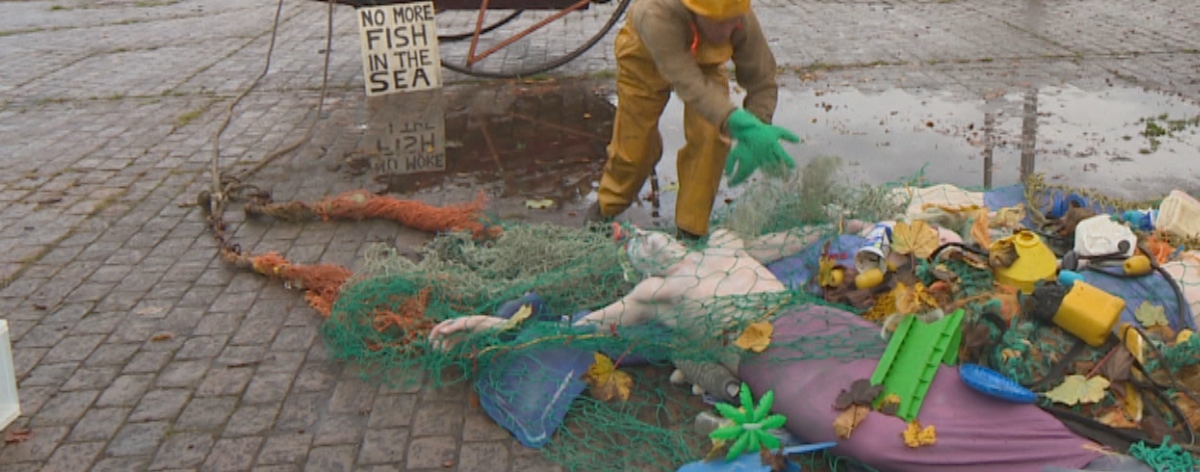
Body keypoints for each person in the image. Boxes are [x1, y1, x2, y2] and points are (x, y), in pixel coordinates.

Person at [430, 226, 1153, 472]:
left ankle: (1078, 456)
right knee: (874, 435)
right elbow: (580, 329)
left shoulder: (727, 247)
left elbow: (797, 246)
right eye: (642, 251)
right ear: (640, 265)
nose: (652, 247)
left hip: (823, 330)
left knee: (922, 384)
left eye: (657, 240)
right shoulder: (653, 296)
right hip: (779, 366)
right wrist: (485, 326)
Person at [587, 0, 799, 239]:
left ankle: (690, 231)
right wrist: (737, 120)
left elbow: (762, 78)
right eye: (718, 23)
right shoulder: (656, 14)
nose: (728, 30)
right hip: (645, 57)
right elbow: (688, 82)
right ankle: (605, 208)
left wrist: (757, 127)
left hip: (705, 61)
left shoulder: (738, 14)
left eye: (732, 21)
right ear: (697, 12)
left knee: (712, 135)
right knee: (633, 149)